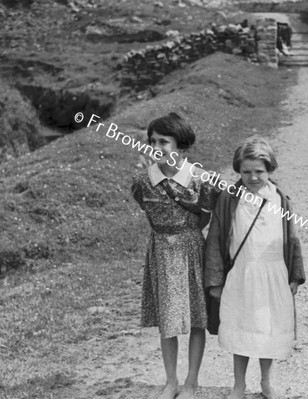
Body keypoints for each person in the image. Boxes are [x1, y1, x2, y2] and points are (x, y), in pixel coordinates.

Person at [205, 136, 305, 399]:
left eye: (259, 171)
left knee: (266, 331)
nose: (252, 177)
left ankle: (266, 382)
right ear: (238, 170)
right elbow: (216, 238)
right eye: (246, 171)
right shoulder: (229, 198)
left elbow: (292, 238)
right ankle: (239, 384)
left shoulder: (280, 198)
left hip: (273, 274)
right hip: (242, 274)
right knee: (242, 330)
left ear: (269, 169)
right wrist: (215, 279)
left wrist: (295, 275)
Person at [131, 112, 219, 399]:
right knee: (168, 319)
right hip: (161, 251)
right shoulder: (143, 181)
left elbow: (205, 218)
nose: (157, 147)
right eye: (152, 141)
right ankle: (171, 381)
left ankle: (192, 381)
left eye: (164, 141)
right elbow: (147, 209)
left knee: (197, 317)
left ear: (181, 146)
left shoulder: (200, 181)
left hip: (193, 250)